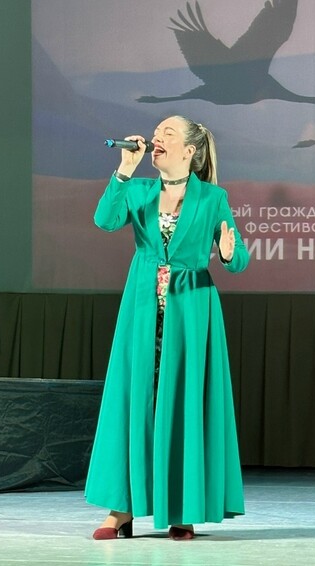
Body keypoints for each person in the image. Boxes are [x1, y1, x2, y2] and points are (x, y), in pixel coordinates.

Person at [85, 115, 249, 541]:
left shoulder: (212, 198)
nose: (155, 138)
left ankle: (182, 509)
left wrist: (228, 253)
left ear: (190, 151)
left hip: (191, 311)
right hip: (141, 307)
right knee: (134, 400)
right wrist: (124, 169)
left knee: (182, 403)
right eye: (156, 133)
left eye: (167, 134)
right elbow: (105, 220)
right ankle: (121, 510)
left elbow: (238, 258)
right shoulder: (139, 189)